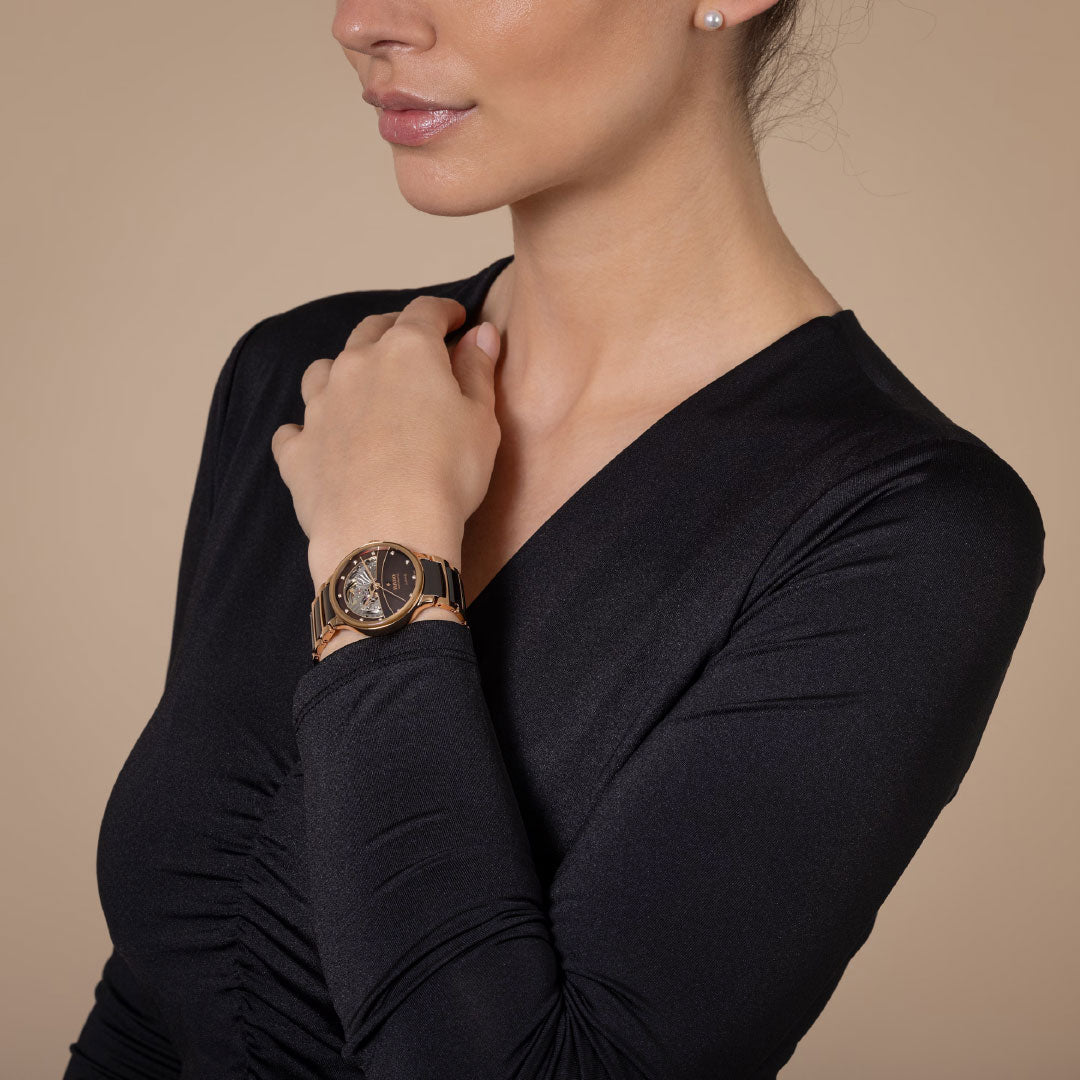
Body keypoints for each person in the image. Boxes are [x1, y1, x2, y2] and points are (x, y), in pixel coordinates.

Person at [64, 2, 1047, 1077]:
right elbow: (154, 1004)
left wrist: (379, 550)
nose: (361, 21)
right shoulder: (317, 380)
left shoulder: (908, 527)